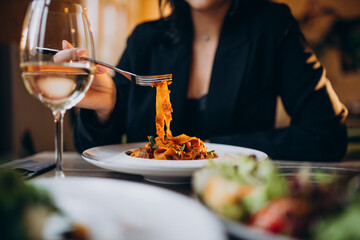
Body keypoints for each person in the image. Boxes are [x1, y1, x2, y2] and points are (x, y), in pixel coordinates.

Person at [59, 0, 348, 161]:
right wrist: (104, 107)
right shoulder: (145, 39)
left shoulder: (273, 26)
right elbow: (92, 148)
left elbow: (327, 135)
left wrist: (209, 149)